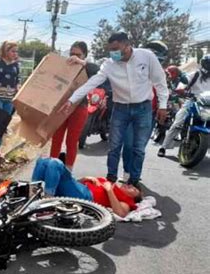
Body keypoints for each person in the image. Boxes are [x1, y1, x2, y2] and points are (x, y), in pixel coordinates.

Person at [60, 32, 168, 187]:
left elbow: (160, 81)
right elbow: (91, 83)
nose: (114, 53)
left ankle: (133, 181)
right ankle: (110, 179)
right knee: (114, 145)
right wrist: (71, 100)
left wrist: (163, 106)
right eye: (111, 50)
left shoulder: (146, 56)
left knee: (138, 147)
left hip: (143, 108)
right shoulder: (109, 64)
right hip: (120, 108)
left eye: (116, 49)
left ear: (127, 45)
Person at [121, 40, 168, 182]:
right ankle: (127, 172)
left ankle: (134, 178)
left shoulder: (164, 75)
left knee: (139, 147)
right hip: (130, 111)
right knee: (128, 145)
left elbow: (165, 92)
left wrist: (163, 107)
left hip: (150, 115)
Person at [32, 158, 142, 218]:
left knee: (55, 163)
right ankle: (31, 196)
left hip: (85, 196)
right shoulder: (115, 187)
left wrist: (109, 190)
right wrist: (84, 179)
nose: (130, 185)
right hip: (78, 188)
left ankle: (46, 204)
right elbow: (74, 184)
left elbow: (120, 213)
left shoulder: (126, 201)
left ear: (133, 198)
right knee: (42, 162)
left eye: (134, 189)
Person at [50, 41, 100, 170]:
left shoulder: (87, 68)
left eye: (78, 54)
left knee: (71, 141)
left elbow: (98, 71)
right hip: (61, 107)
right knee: (56, 139)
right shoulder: (65, 66)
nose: (74, 57)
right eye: (72, 54)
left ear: (85, 55)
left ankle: (68, 171)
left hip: (79, 108)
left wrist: (82, 63)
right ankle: (51, 169)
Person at [158, 55, 210, 157]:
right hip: (193, 101)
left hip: (208, 105)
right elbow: (185, 79)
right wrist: (180, 75)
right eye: (208, 64)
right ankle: (163, 147)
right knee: (178, 122)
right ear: (203, 64)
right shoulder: (196, 74)